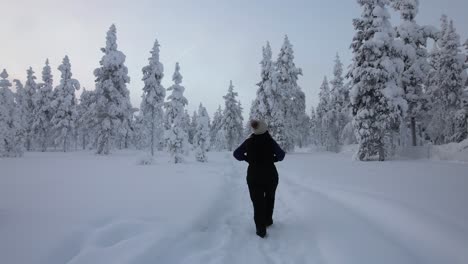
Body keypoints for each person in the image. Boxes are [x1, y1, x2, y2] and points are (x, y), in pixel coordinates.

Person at [233, 120, 285, 238]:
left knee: (258, 202)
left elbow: (236, 154)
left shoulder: (249, 141)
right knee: (270, 198)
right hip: (271, 176)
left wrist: (248, 159)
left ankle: (260, 229)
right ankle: (268, 221)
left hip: (253, 176)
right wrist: (273, 159)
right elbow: (281, 156)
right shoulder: (270, 141)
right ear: (265, 129)